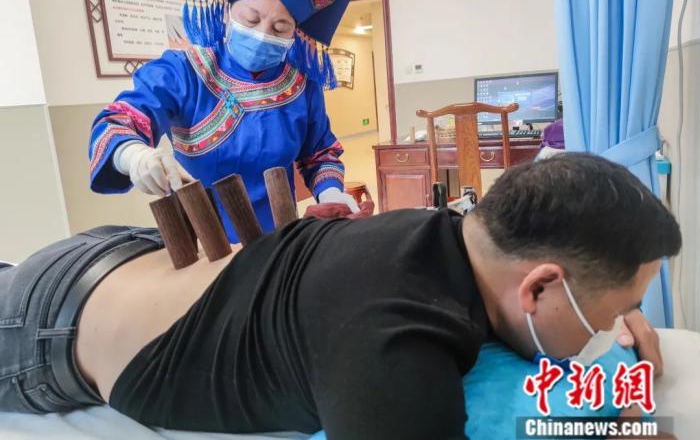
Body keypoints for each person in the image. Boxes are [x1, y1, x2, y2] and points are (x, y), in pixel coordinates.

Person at [0, 154, 681, 440]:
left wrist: (615, 327)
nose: (615, 328)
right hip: (45, 329)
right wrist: (627, 422)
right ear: (539, 285)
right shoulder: (397, 353)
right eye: (610, 312)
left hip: (120, 257)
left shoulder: (443, 231)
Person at [89, 0, 361, 242]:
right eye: (251, 19)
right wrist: (133, 156)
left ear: (295, 34)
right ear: (228, 12)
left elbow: (319, 153)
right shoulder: (184, 71)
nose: (262, 35)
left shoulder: (302, 85)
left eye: (280, 28)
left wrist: (331, 193)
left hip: (280, 240)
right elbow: (117, 121)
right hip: (204, 245)